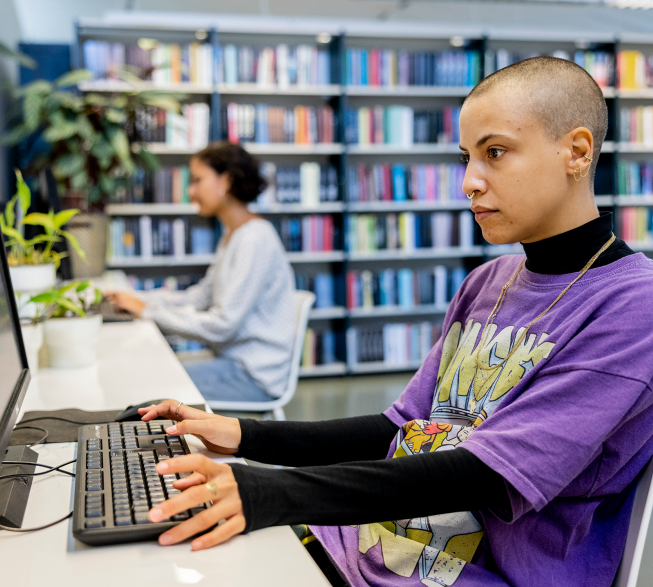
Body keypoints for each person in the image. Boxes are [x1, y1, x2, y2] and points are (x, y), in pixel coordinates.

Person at [132, 57, 653, 587]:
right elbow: (397, 429)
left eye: (495, 153)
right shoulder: (488, 281)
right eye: (466, 157)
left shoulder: (634, 305)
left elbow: (488, 475)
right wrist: (246, 436)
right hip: (369, 546)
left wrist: (272, 492)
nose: (470, 182)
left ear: (577, 151)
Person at [106, 142, 295, 403]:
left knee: (146, 382)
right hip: (231, 363)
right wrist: (140, 300)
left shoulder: (254, 240)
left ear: (225, 181)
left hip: (252, 375)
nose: (190, 190)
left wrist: (147, 311)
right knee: (146, 374)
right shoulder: (234, 235)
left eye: (197, 180)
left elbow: (222, 326)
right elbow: (200, 297)